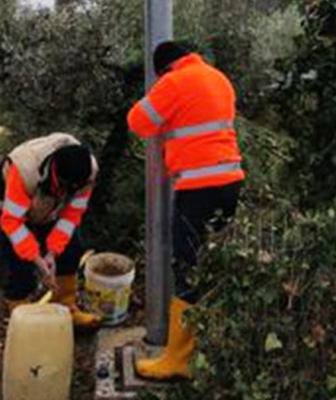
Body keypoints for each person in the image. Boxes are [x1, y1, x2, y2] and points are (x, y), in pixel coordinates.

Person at [127, 41, 246, 380]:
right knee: (217, 262)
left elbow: (138, 121)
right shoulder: (219, 78)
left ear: (163, 69)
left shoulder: (174, 82)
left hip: (198, 188)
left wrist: (159, 96)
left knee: (187, 266)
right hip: (230, 181)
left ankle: (178, 359)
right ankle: (213, 345)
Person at [0, 132, 101, 328]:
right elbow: (13, 222)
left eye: (73, 189)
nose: (69, 192)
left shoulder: (87, 173)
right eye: (65, 187)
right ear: (56, 174)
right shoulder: (24, 172)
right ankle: (20, 318)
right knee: (19, 262)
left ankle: (66, 308)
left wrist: (53, 252)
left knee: (72, 248)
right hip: (8, 200)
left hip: (49, 203)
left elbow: (71, 216)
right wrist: (36, 257)